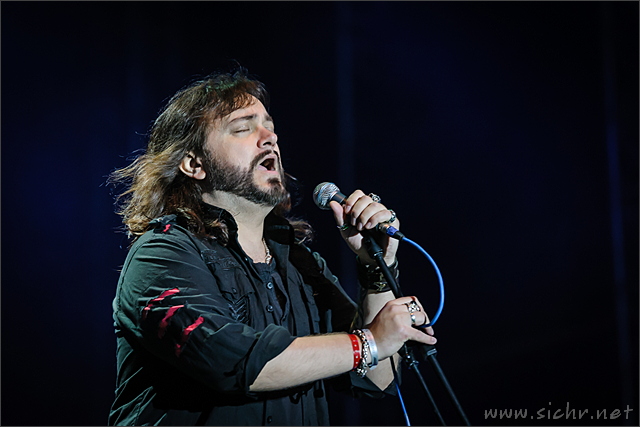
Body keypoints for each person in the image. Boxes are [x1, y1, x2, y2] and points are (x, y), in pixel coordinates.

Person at [107, 69, 437, 426]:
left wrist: (375, 269)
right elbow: (233, 361)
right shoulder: (161, 255)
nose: (270, 137)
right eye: (243, 128)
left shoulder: (299, 262)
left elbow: (376, 376)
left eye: (269, 126)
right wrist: (368, 342)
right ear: (193, 164)